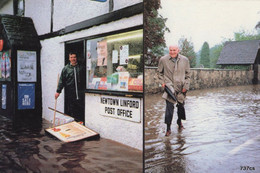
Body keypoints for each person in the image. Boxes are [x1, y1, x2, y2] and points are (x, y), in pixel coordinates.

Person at [157, 45, 191, 136]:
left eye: (174, 50)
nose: (172, 52)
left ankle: (179, 122)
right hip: (169, 87)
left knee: (181, 106)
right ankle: (168, 128)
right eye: (171, 50)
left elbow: (188, 75)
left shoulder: (185, 60)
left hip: (181, 87)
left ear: (178, 50)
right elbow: (159, 73)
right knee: (169, 108)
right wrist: (162, 83)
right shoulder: (163, 60)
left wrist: (186, 86)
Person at [55, 52, 85, 121]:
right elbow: (61, 81)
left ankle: (80, 123)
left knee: (80, 109)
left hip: (80, 93)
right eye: (71, 57)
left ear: (76, 58)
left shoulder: (81, 67)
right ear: (69, 59)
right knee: (71, 109)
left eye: (74, 57)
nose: (73, 59)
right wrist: (58, 91)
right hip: (70, 93)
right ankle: (73, 124)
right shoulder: (66, 69)